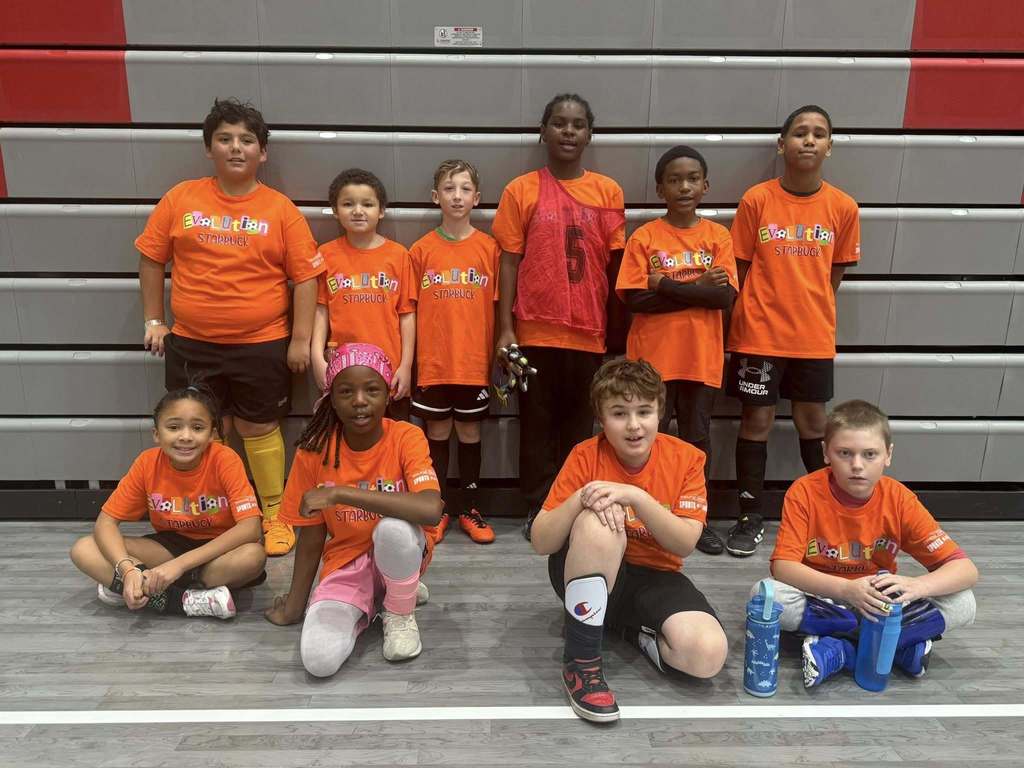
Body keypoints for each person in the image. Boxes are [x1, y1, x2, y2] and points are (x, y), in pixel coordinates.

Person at [136, 98, 325, 557]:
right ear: (209, 148)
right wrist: (155, 320)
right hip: (192, 345)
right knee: (204, 430)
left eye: (246, 140)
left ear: (263, 153)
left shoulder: (280, 209)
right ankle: (216, 516)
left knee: (259, 428)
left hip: (262, 346)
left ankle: (275, 514)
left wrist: (300, 339)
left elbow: (306, 277)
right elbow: (150, 257)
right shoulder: (181, 198)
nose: (235, 148)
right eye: (224, 139)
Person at [530, 358, 727, 723]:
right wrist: (582, 497)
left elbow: (684, 543)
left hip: (655, 577)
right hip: (588, 564)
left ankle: (623, 627)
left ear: (661, 414)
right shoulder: (585, 455)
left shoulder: (687, 459)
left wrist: (635, 496)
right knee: (600, 520)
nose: (634, 425)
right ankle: (581, 664)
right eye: (619, 413)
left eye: (644, 411)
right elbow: (541, 541)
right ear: (601, 421)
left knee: (706, 655)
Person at [756, 399, 978, 688]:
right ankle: (897, 647)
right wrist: (846, 589)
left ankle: (842, 651)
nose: (857, 465)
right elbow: (783, 568)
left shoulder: (899, 499)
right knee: (765, 597)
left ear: (888, 455)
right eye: (844, 453)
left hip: (881, 603)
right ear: (825, 453)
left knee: (964, 602)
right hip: (825, 596)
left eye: (870, 454)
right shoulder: (805, 492)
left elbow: (966, 570)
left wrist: (917, 586)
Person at [723, 104, 861, 557]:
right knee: (757, 420)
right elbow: (738, 269)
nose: (809, 140)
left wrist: (807, 307)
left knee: (814, 422)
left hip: (812, 337)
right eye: (799, 132)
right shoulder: (757, 200)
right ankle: (748, 516)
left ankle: (823, 514)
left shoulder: (843, 207)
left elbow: (833, 276)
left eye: (819, 134)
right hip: (758, 334)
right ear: (782, 144)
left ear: (830, 148)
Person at [264, 343, 444, 677]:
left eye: (371, 390)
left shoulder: (407, 436)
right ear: (330, 398)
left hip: (404, 548)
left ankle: (399, 612)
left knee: (393, 529)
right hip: (346, 563)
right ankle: (383, 595)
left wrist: (341, 495)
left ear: (388, 395)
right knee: (318, 662)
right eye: (346, 391)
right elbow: (311, 537)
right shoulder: (314, 450)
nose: (359, 400)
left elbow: (431, 509)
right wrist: (294, 605)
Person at [492, 93, 626, 539]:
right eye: (559, 123)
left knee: (578, 429)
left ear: (590, 133)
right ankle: (538, 508)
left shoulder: (608, 191)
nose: (568, 131)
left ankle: (572, 508)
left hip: (589, 334)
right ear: (543, 131)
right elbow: (509, 261)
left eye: (578, 124)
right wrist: (506, 328)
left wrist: (614, 335)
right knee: (535, 428)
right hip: (534, 334)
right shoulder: (521, 189)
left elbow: (613, 266)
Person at [616, 145, 737, 555]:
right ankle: (641, 518)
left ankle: (693, 521)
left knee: (695, 441)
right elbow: (634, 301)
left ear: (705, 185)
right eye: (674, 179)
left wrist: (663, 284)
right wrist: (700, 286)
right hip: (652, 363)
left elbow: (724, 300)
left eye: (691, 178)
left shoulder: (718, 236)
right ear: (659, 188)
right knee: (644, 440)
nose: (683, 186)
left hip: (701, 361)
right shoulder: (645, 236)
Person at [69, 383, 267, 619]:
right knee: (84, 548)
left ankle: (131, 588)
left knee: (253, 557)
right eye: (174, 427)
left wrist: (178, 566)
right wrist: (127, 569)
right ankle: (185, 601)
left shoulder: (225, 459)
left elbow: (251, 527)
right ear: (156, 433)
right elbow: (106, 523)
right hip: (168, 548)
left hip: (218, 552)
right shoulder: (146, 463)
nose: (185, 436)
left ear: (213, 434)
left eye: (197, 427)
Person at [410, 159, 500, 544]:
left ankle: (471, 508)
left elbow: (498, 307)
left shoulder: (490, 249)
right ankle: (440, 509)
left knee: (469, 431)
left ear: (477, 198)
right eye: (449, 188)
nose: (457, 195)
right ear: (436, 197)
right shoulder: (420, 250)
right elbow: (408, 311)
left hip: (474, 364)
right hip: (433, 363)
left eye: (465, 189)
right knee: (437, 431)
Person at [310, 169, 416, 422]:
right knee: (343, 444)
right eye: (348, 204)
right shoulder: (326, 254)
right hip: (342, 371)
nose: (358, 211)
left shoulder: (399, 255)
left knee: (391, 444)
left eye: (367, 204)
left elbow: (407, 315)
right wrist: (316, 357)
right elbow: (320, 311)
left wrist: (406, 366)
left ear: (381, 211)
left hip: (389, 372)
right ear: (335, 210)